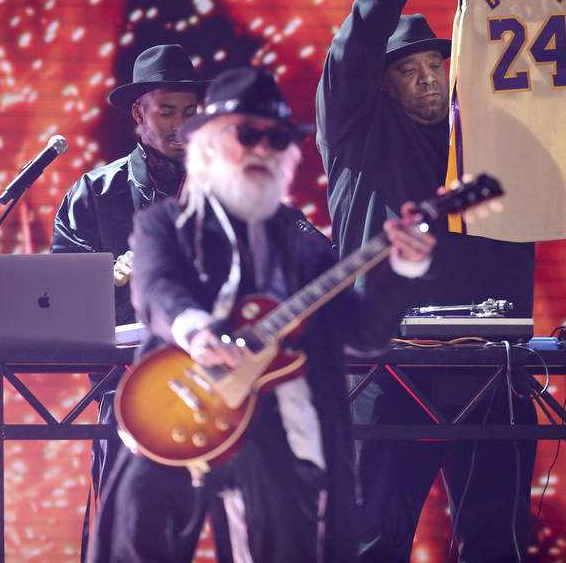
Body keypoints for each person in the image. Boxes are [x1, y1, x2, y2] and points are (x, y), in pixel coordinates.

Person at [316, 0, 566, 561]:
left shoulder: (494, 132)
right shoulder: (356, 133)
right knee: (372, 545)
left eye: (437, 66)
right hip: (387, 369)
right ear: (381, 81)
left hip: (493, 367)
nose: (428, 80)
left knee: (493, 545)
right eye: (409, 70)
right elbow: (349, 50)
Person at [88, 66, 436, 563]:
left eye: (274, 140)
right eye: (246, 135)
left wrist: (405, 265)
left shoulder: (302, 248)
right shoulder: (166, 225)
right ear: (207, 145)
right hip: (179, 407)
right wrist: (197, 330)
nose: (260, 150)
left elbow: (363, 333)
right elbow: (158, 289)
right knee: (141, 529)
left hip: (271, 428)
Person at [50, 43, 207, 546]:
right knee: (124, 535)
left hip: (217, 387)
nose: (181, 124)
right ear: (138, 113)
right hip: (127, 390)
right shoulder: (97, 194)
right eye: (167, 112)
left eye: (190, 112)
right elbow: (58, 297)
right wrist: (112, 275)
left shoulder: (227, 187)